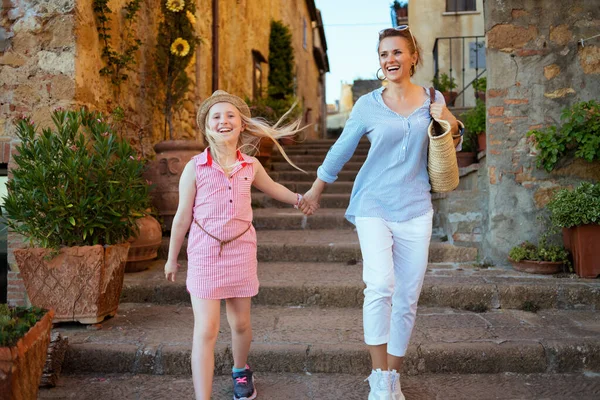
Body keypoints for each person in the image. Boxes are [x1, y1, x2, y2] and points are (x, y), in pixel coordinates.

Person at [300, 26, 462, 400]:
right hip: (373, 203)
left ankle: (393, 376)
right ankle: (378, 376)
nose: (390, 60)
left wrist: (451, 121)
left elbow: (451, 138)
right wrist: (316, 188)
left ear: (413, 57)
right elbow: (341, 149)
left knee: (408, 295)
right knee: (380, 286)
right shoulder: (367, 104)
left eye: (397, 53)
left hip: (416, 206)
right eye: (384, 54)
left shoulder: (432, 98)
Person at [164, 90, 314, 400]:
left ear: (241, 124)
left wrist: (299, 199)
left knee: (241, 323)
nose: (223, 121)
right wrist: (171, 258)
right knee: (206, 329)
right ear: (206, 126)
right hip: (205, 253)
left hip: (241, 250)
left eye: (230, 115)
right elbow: (181, 217)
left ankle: (240, 369)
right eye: (216, 117)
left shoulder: (251, 165)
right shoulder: (195, 167)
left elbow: (274, 189)